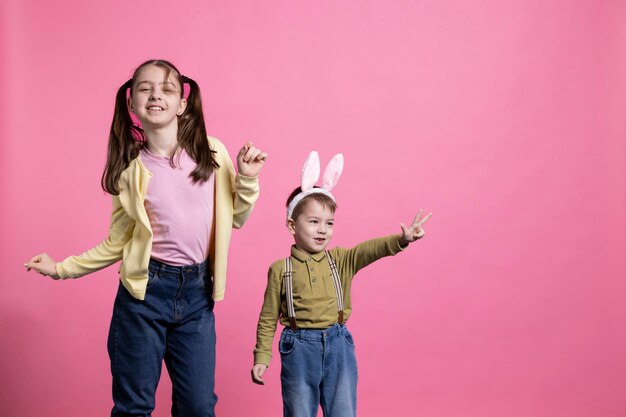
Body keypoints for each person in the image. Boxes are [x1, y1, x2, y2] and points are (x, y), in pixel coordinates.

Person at [24, 59, 267, 417]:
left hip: (197, 296)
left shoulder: (212, 153)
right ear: (131, 103)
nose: (156, 94)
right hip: (143, 297)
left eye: (167, 88)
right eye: (145, 88)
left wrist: (246, 179)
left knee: (198, 407)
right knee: (134, 407)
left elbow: (237, 218)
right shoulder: (130, 171)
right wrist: (61, 268)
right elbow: (116, 243)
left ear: (182, 104)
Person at [250, 151, 431, 417]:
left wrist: (401, 240)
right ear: (292, 224)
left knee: (343, 410)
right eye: (314, 222)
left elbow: (370, 250)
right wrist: (261, 357)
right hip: (298, 349)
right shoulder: (280, 269)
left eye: (329, 223)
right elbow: (267, 318)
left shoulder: (341, 260)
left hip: (338, 345)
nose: (322, 230)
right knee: (299, 411)